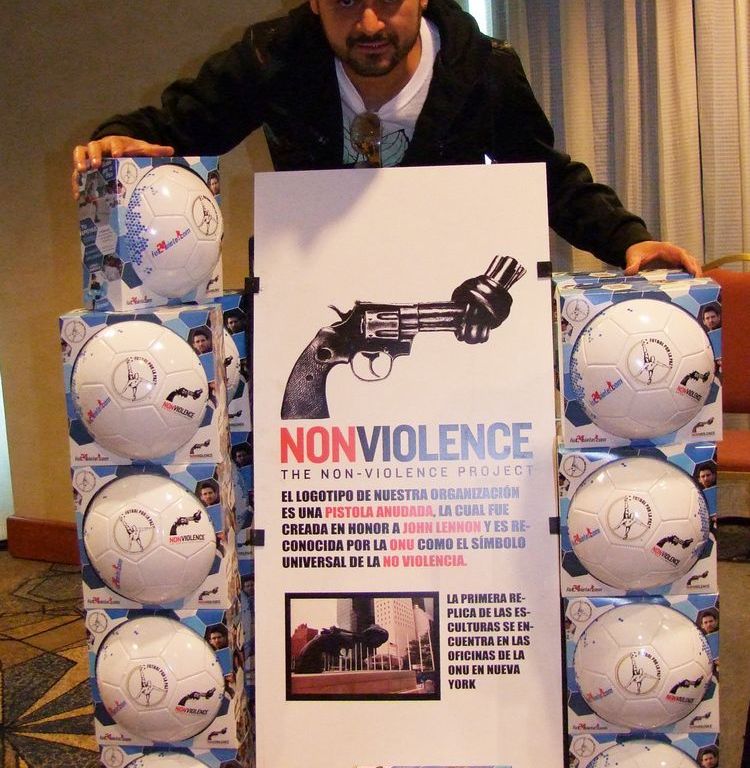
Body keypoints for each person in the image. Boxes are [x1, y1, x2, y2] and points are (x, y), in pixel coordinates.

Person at [72, 0, 701, 329]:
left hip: (445, 293)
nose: (369, 23)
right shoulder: (272, 59)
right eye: (346, 1)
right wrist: (117, 140)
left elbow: (547, 178)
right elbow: (175, 126)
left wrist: (629, 239)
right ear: (314, 2)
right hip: (318, 292)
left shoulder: (483, 69)